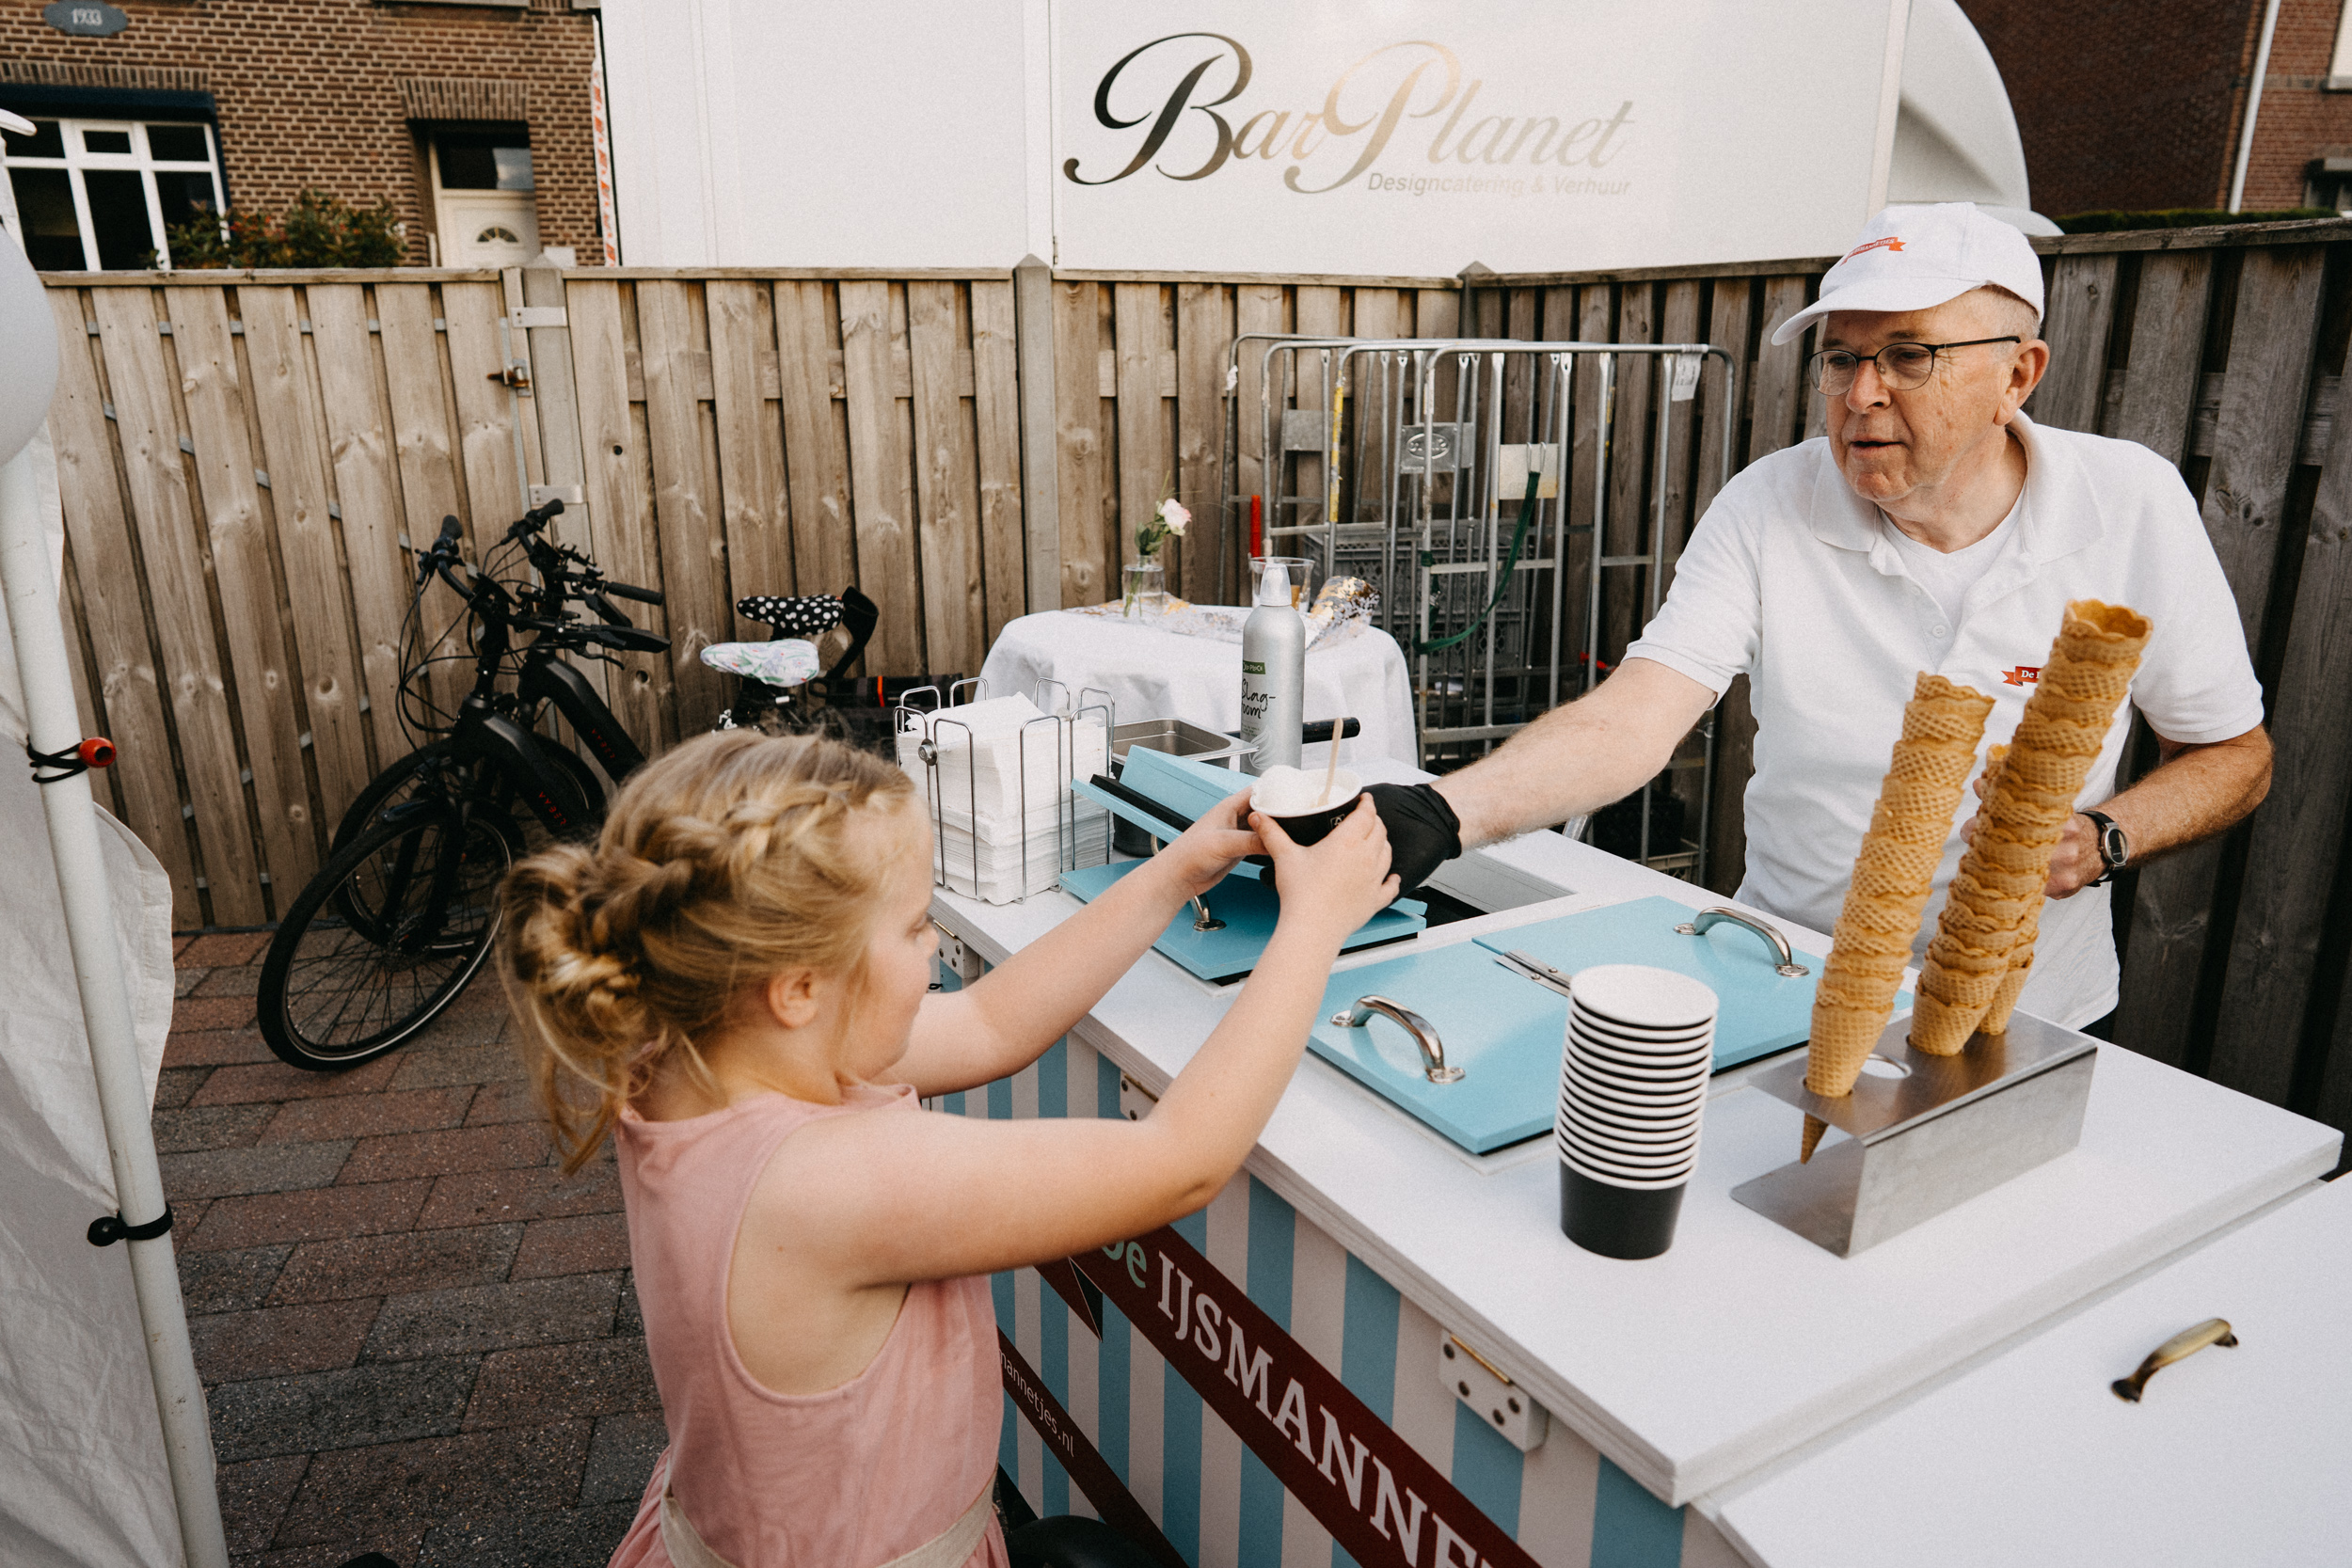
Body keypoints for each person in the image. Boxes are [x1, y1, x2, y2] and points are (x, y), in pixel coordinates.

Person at [499, 729, 1396, 1568]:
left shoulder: (698, 1050)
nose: (935, 948)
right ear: (799, 987)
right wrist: (1313, 923)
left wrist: (1176, 870)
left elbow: (990, 1020)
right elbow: (1183, 1158)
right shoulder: (824, 1181)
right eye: (917, 925)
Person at [1369, 202, 2270, 1031]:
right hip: (1789, 982)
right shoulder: (1769, 503)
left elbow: (2233, 752)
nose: (1861, 394)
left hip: (2029, 1009)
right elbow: (1634, 718)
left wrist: (2108, 837)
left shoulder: (2130, 503)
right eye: (1841, 358)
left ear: (2017, 375)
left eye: (1909, 356)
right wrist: (1440, 812)